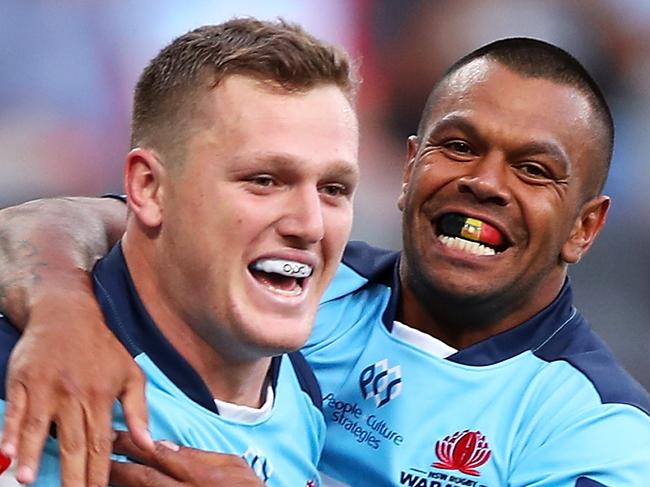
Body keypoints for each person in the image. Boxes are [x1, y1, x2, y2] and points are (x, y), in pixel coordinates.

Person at [2, 38, 650, 487]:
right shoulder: (299, 282)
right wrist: (60, 307)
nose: (484, 182)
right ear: (408, 168)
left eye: (534, 170)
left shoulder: (600, 431)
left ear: (586, 227)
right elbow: (70, 221)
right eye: (457, 145)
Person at [0, 17, 360, 487]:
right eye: (264, 181)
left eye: (334, 188)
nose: (310, 224)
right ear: (149, 188)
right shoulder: (24, 370)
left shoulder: (303, 383)